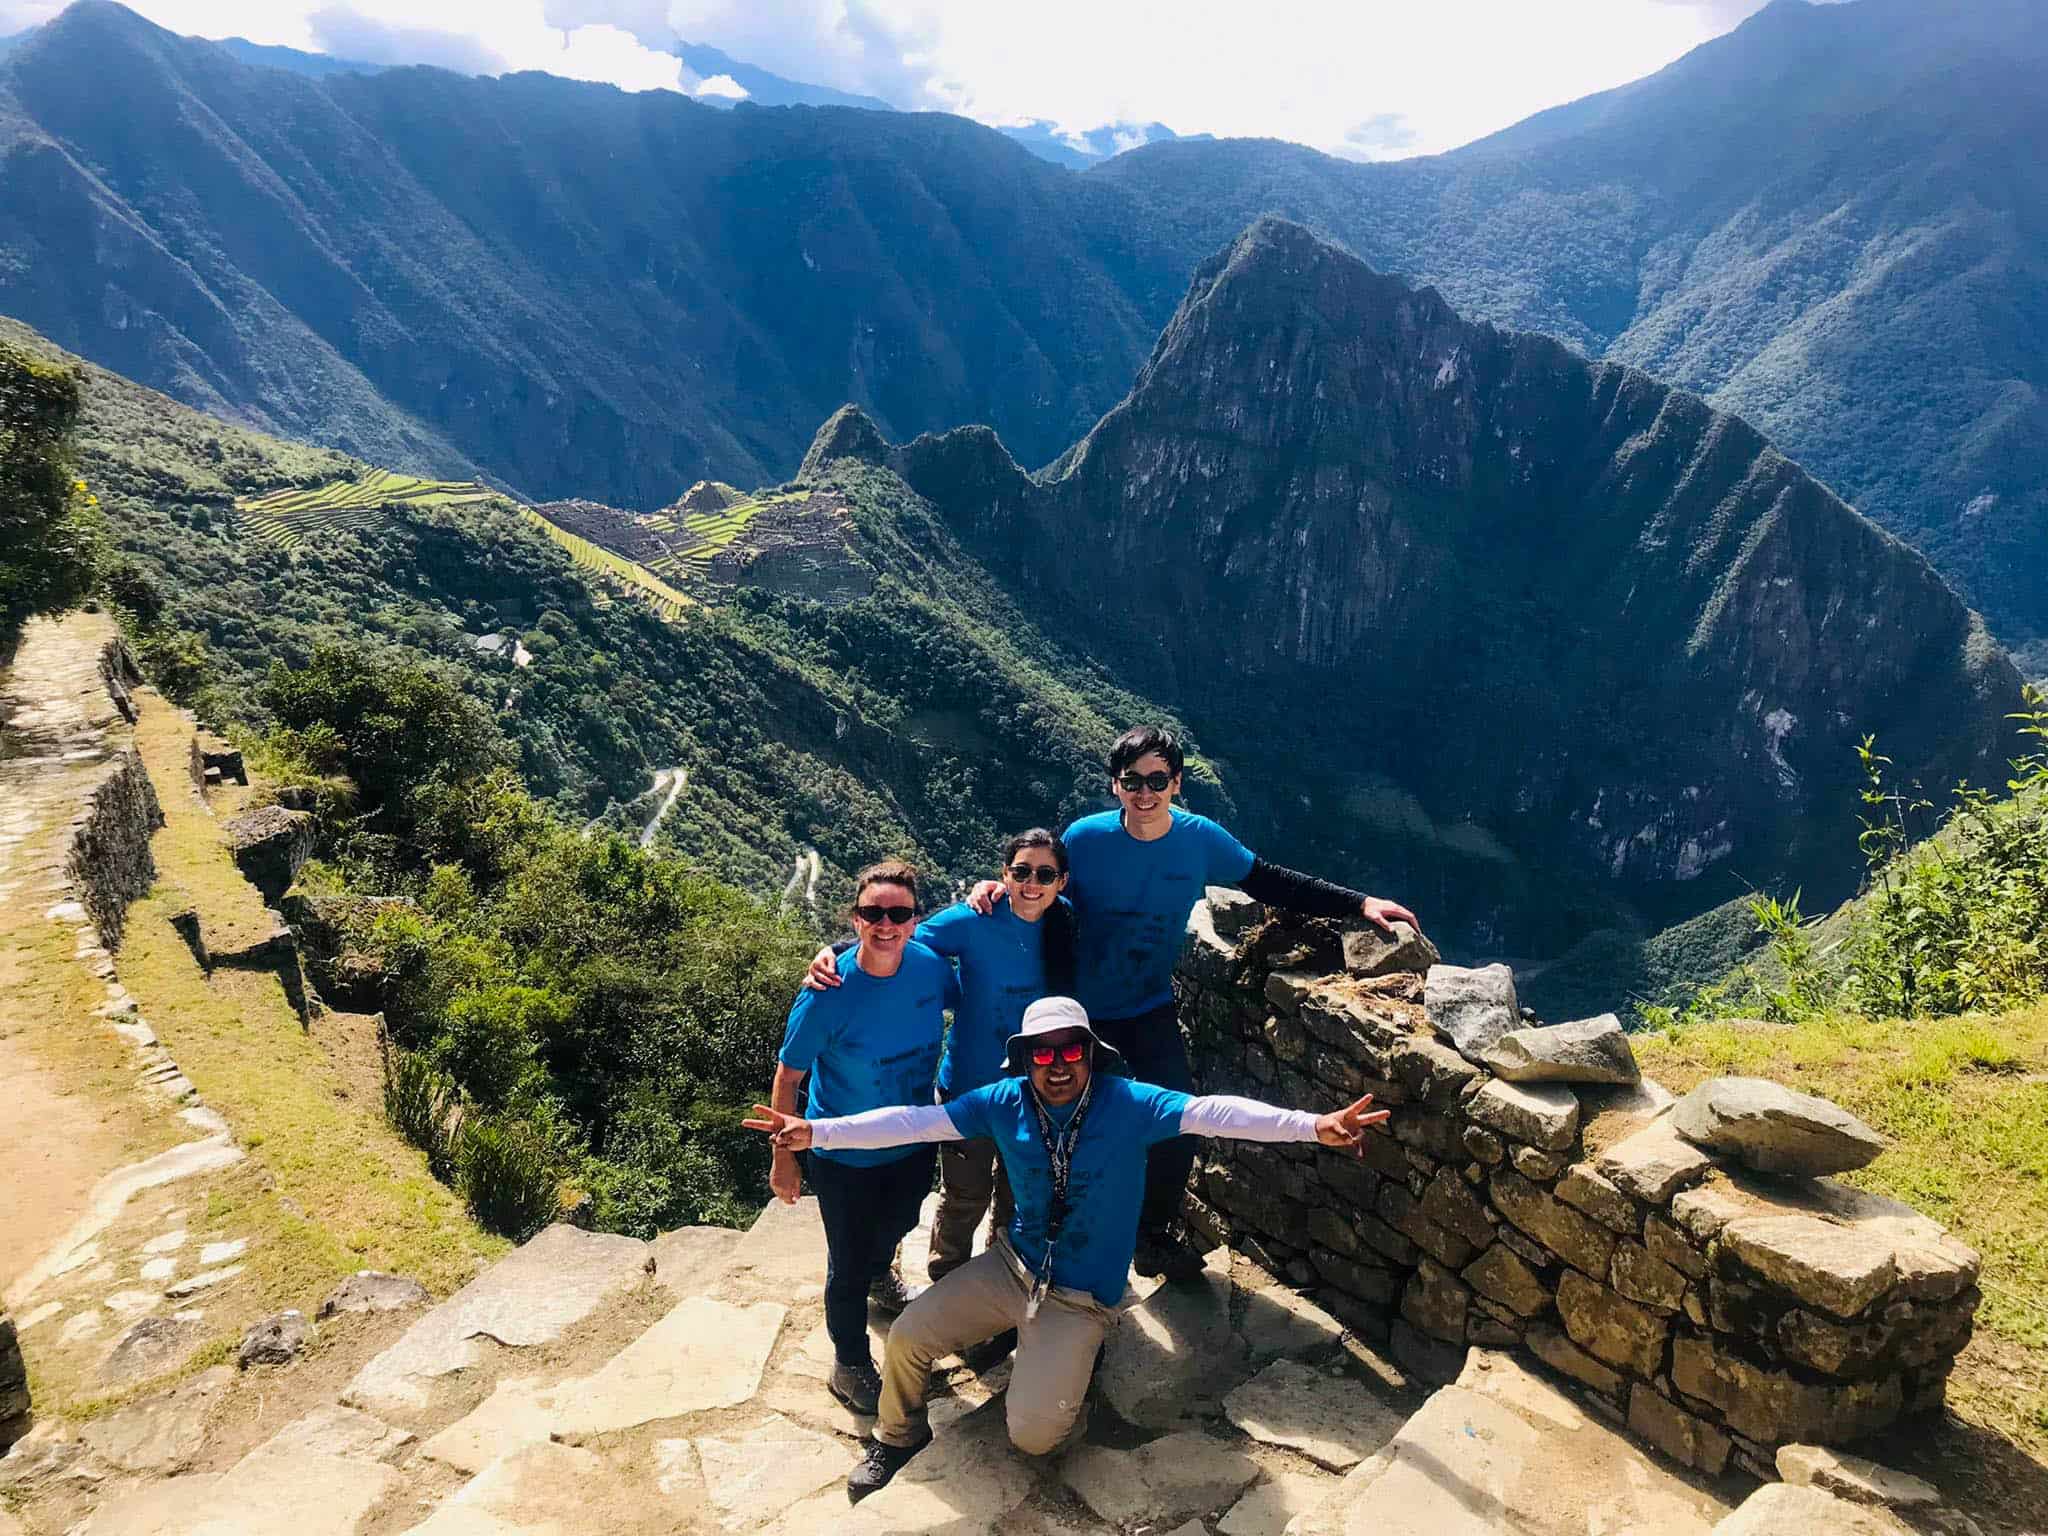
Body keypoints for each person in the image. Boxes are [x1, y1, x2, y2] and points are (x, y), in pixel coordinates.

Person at [744, 995, 1390, 1502]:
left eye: (1069, 1053)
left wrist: (1313, 1127)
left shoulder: (1131, 1103)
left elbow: (1214, 1113)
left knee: (1033, 1436)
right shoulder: (1002, 1101)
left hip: (1081, 1295)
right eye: (1042, 1055)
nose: (1056, 1067)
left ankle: (1072, 1365)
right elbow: (915, 1121)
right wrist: (815, 1130)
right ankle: (900, 1436)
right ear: (1024, 1060)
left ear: (1090, 1054)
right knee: (910, 1336)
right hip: (1013, 1265)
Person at [969, 725, 1418, 1280]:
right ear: (1115, 785)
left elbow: (1269, 882)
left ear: (1177, 783)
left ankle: (1149, 1235)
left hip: (1147, 1004)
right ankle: (1017, 1249)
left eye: (1158, 779)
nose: (1145, 792)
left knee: (1180, 1120)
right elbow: (1037, 883)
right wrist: (991, 891)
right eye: (1132, 780)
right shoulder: (1085, 839)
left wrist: (1359, 903)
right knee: (1046, 1124)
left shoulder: (1200, 838)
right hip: (1078, 1012)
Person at [804, 830, 1077, 1295]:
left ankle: (1005, 1275)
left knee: (1021, 1193)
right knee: (964, 1196)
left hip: (1037, 1092)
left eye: (1044, 874)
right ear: (1003, 875)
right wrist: (831, 952)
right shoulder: (973, 919)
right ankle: (946, 1279)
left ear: (1062, 881)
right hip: (969, 1087)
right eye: (1021, 872)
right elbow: (893, 936)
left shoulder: (1066, 925)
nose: (1032, 883)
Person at [768, 859, 956, 1417]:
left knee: (901, 1219)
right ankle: (848, 1361)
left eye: (898, 913)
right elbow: (789, 1075)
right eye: (873, 913)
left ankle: (881, 1273)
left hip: (911, 1136)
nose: (886, 924)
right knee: (844, 1260)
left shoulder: (929, 969)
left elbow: (979, 999)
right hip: (841, 1148)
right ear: (854, 919)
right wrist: (785, 1159)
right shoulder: (827, 992)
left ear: (916, 919)